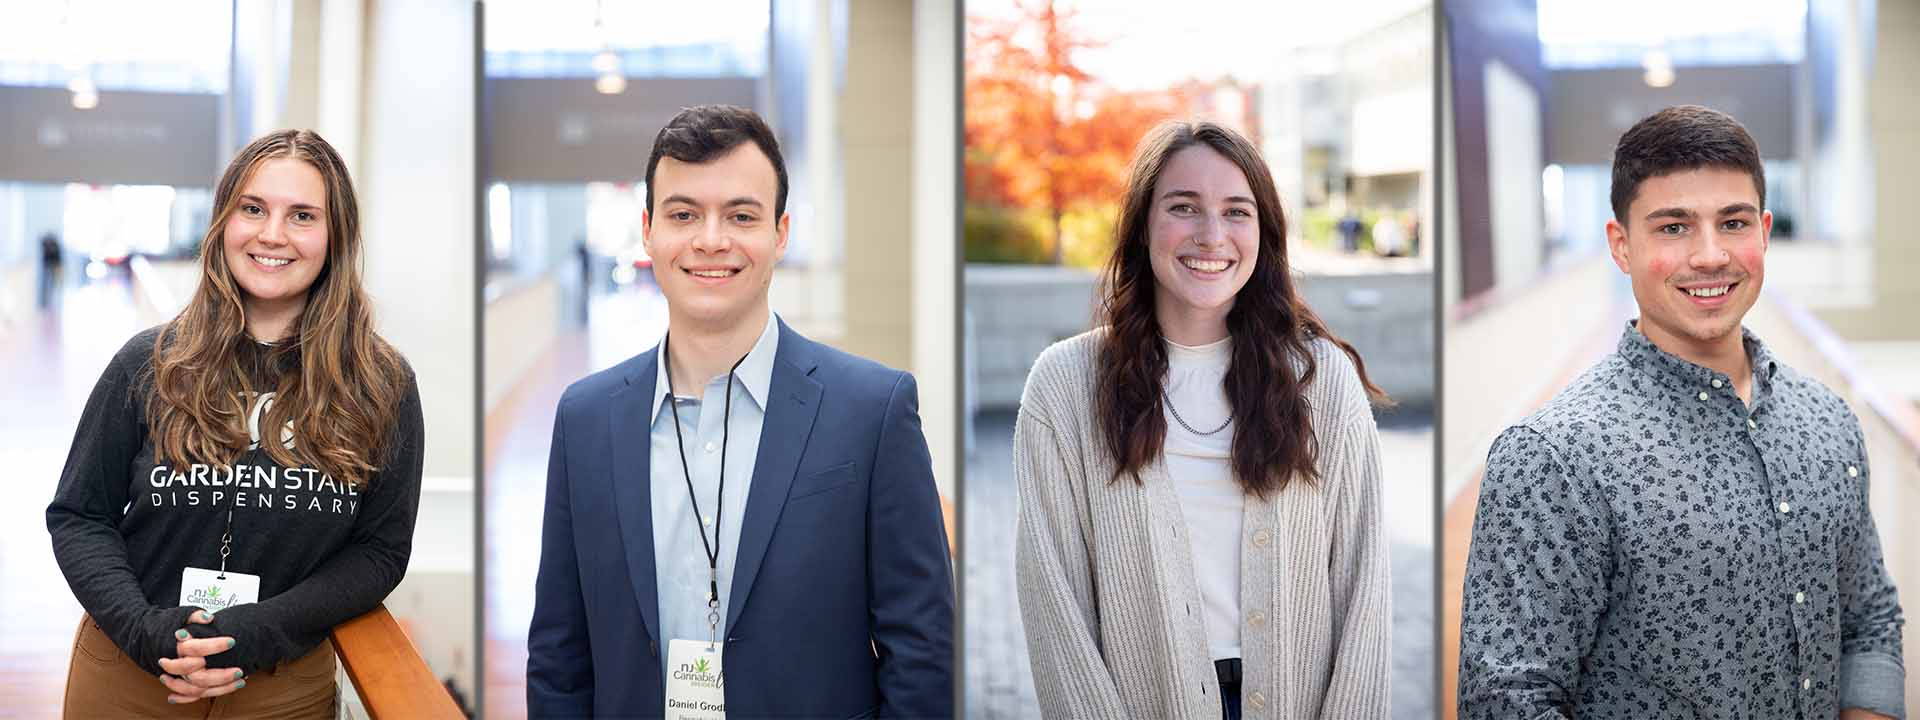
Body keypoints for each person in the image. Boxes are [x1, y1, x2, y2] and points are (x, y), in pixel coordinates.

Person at [1457, 105, 1905, 719]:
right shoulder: (1554, 456)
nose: (1711, 255)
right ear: (1622, 246)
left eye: (1734, 223)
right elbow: (1509, 702)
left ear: (1764, 232)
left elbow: (1869, 622)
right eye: (1673, 227)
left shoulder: (1827, 420)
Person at [526, 104, 955, 718]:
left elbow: (922, 651)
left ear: (780, 234)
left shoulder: (873, 410)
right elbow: (559, 656)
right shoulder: (585, 419)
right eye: (683, 214)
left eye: (741, 215)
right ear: (648, 230)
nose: (710, 239)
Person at [1014, 120, 1392, 719]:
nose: (1212, 235)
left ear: (1264, 232)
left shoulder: (1321, 381)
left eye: (1237, 211)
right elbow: (1054, 608)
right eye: (1184, 207)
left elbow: (1363, 588)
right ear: (1143, 226)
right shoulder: (1065, 387)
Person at [45, 129, 423, 717]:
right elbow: (79, 515)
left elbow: (379, 550)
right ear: (224, 221)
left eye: (302, 215)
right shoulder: (147, 365)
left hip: (279, 689)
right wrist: (145, 629)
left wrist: (260, 631)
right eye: (253, 209)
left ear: (335, 235)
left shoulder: (380, 384)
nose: (272, 235)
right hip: (129, 675)